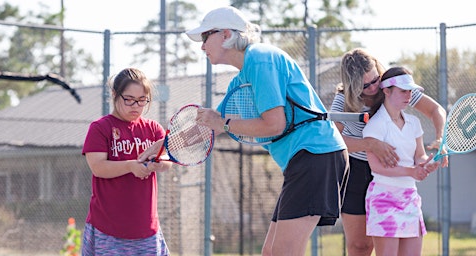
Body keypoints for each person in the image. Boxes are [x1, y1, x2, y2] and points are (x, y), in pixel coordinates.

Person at [186, 6, 348, 256]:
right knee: (271, 253)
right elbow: (208, 127)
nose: (202, 46)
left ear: (226, 34)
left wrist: (224, 124)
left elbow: (275, 124)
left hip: (315, 155)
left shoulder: (260, 58)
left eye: (206, 37)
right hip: (305, 160)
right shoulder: (242, 78)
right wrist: (160, 147)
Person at [331, 48, 448, 255]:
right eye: (365, 85)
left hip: (392, 176)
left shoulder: (393, 87)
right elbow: (333, 140)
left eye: (375, 79)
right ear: (353, 85)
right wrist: (370, 144)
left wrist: (440, 139)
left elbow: (435, 110)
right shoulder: (344, 101)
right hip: (357, 171)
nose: (373, 87)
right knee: (361, 245)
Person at [81, 67, 172, 255]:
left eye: (141, 100)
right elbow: (98, 167)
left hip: (146, 230)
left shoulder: (153, 128)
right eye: (129, 99)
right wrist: (131, 166)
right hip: (108, 230)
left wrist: (158, 163)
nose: (135, 106)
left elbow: (168, 160)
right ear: (115, 94)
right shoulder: (100, 128)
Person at [363, 66, 440, 256]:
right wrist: (411, 171)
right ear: (386, 91)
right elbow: (376, 167)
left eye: (410, 91)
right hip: (382, 199)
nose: (408, 95)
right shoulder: (375, 125)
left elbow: (419, 156)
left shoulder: (414, 123)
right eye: (403, 90)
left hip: (410, 198)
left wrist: (426, 163)